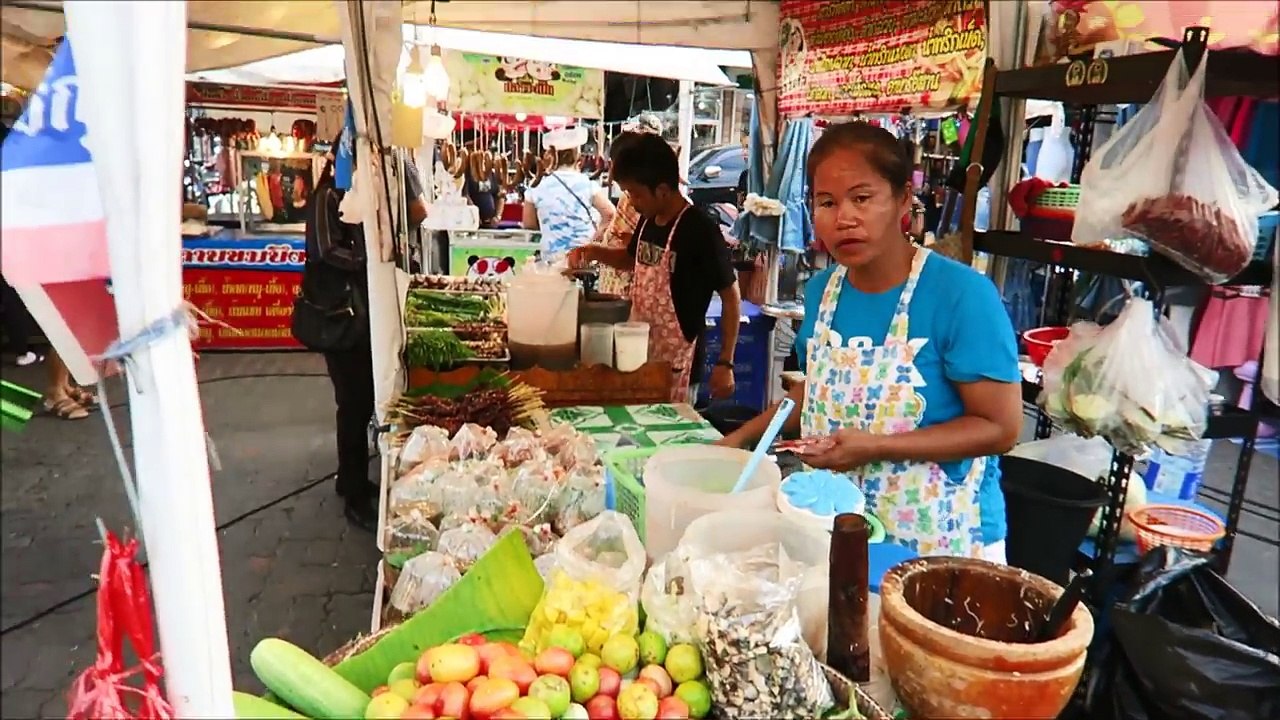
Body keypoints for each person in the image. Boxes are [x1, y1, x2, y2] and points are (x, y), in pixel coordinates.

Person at [718, 122, 1021, 561]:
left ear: (903, 199)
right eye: (826, 202)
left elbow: (1000, 427)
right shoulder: (822, 292)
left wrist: (875, 447)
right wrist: (740, 441)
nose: (844, 218)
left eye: (861, 198)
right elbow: (816, 392)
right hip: (833, 528)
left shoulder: (961, 295)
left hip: (940, 539)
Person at [303, 142, 426, 530]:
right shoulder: (328, 197)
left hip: (359, 316)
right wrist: (372, 261)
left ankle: (351, 478)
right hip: (338, 317)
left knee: (360, 401)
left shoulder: (359, 196)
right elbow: (325, 250)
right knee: (352, 403)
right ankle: (354, 494)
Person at [568, 133, 741, 403]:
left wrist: (726, 362)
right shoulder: (649, 219)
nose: (631, 202)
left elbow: (731, 296)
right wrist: (592, 251)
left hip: (679, 363)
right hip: (640, 352)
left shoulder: (699, 229)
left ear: (661, 190)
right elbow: (630, 259)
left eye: (635, 194)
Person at [523, 126, 615, 262]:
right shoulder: (587, 184)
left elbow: (529, 223)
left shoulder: (536, 185)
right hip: (583, 258)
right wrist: (596, 239)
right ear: (577, 156)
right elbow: (610, 214)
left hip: (551, 257)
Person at [464, 143, 506, 229]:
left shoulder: (492, 174)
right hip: (472, 222)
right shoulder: (467, 174)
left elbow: (500, 196)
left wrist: (498, 216)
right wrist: (474, 214)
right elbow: (465, 195)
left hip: (491, 222)